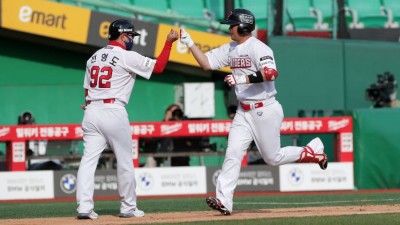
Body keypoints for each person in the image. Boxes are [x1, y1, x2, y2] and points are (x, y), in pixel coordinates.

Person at [179, 9, 328, 215]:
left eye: (232, 24)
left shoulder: (259, 47)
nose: (229, 28)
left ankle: (311, 152)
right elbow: (206, 63)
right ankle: (224, 201)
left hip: (265, 108)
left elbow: (271, 73)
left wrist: (242, 79)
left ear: (243, 26)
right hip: (243, 110)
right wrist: (189, 43)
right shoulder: (230, 48)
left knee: (272, 158)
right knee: (232, 153)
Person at [76, 19, 178, 219]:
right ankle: (128, 207)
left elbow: (88, 90)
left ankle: (84, 208)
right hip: (113, 110)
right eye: (130, 35)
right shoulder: (126, 56)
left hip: (91, 110)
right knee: (124, 161)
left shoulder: (93, 57)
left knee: (88, 161)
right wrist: (169, 43)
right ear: (123, 35)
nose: (132, 39)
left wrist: (90, 103)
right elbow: (158, 67)